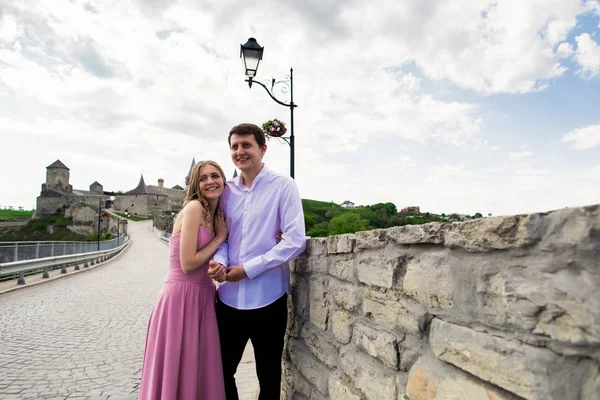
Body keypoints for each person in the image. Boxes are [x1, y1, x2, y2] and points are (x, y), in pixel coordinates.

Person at [208, 123, 307, 400]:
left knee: (268, 374)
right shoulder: (225, 191)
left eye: (246, 145)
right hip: (228, 299)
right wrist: (219, 261)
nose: (240, 151)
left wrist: (248, 270)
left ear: (262, 149)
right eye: (235, 146)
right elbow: (223, 237)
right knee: (221, 370)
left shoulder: (283, 186)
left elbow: (296, 240)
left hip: (268, 298)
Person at [138, 160, 228, 400]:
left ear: (223, 180)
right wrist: (219, 238)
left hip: (203, 296)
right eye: (203, 177)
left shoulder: (216, 214)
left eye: (215, 175)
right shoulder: (194, 209)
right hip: (181, 296)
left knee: (197, 368)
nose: (210, 181)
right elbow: (188, 263)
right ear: (195, 185)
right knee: (177, 365)